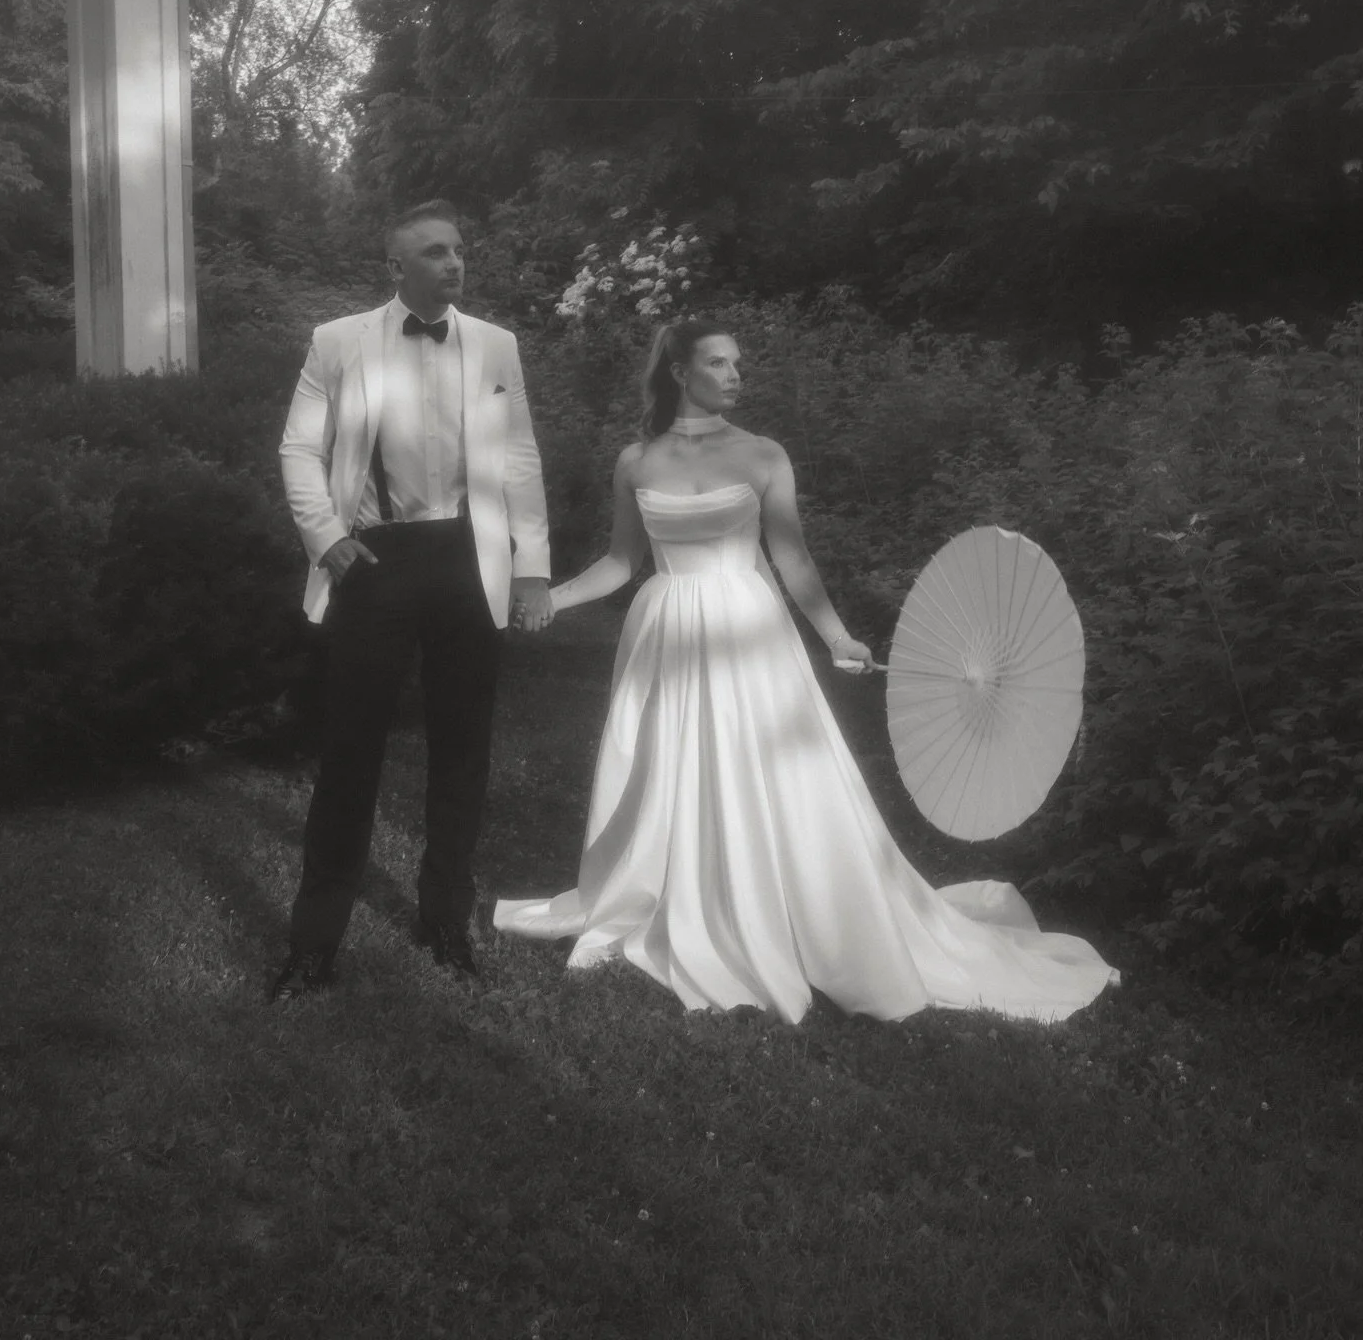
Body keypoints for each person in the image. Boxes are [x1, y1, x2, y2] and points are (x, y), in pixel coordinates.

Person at [494, 319, 1118, 1025]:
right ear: (679, 371)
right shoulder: (635, 461)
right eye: (718, 362)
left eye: (738, 363)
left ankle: (781, 905)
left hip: (750, 630)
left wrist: (837, 636)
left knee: (768, 768)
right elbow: (619, 562)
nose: (735, 374)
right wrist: (552, 598)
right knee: (666, 764)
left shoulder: (764, 455)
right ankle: (676, 889)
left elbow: (791, 557)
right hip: (666, 630)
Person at [271, 201, 552, 998]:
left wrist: (531, 565)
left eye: (458, 249)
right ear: (396, 267)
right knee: (350, 752)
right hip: (375, 558)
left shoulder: (496, 344)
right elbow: (299, 447)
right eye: (434, 252)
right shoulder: (338, 341)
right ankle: (314, 945)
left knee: (463, 748)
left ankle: (445, 921)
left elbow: (520, 455)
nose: (453, 262)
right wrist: (326, 536)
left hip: (469, 555)